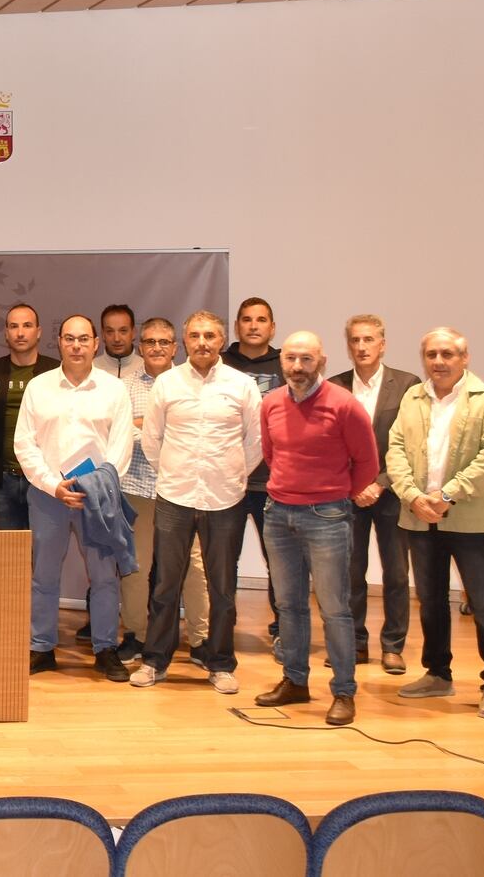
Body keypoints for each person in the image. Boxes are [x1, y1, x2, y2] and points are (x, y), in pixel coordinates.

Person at [130, 311, 262, 695]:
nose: (202, 342)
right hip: (175, 495)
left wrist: (233, 474)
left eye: (210, 335)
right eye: (195, 335)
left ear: (222, 340)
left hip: (225, 498)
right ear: (184, 342)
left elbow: (255, 442)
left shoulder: (242, 385)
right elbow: (152, 441)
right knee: (165, 583)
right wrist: (173, 472)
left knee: (221, 586)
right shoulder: (168, 384)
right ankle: (155, 661)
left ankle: (221, 664)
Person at [253, 331, 377, 726]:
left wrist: (334, 496)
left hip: (327, 518)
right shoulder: (271, 403)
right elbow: (273, 455)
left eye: (306, 359)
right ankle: (295, 681)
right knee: (288, 605)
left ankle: (343, 691)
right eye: (291, 359)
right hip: (278, 516)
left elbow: (368, 464)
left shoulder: (345, 405)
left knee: (335, 609)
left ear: (321, 361)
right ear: (281, 361)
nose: (297, 367)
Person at [388, 328, 484, 720]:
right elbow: (394, 450)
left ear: (464, 358)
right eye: (431, 354)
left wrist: (447, 495)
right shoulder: (413, 397)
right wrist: (413, 495)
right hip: (420, 517)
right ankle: (438, 674)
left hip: (469, 519)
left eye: (447, 354)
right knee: (431, 602)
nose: (438, 361)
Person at [15, 315, 135, 681]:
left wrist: (96, 485)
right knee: (44, 576)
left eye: (84, 339)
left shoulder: (113, 390)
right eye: (70, 338)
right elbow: (25, 443)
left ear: (95, 343)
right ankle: (41, 647)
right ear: (59, 342)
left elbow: (121, 445)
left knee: (103, 577)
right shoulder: (38, 387)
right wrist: (54, 485)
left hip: (97, 499)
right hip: (49, 496)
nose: (77, 345)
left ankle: (105, 649)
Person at [328, 314, 422, 675]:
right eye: (355, 340)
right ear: (348, 345)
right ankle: (354, 642)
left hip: (394, 491)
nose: (362, 346)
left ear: (382, 344)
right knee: (350, 571)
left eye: (369, 340)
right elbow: (331, 444)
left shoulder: (408, 385)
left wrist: (380, 481)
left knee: (397, 573)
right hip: (349, 494)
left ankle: (393, 646)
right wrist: (356, 486)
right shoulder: (335, 386)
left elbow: (412, 444)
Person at [117, 318, 208, 664]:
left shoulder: (191, 383)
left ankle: (202, 640)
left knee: (194, 567)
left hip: (184, 491)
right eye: (150, 341)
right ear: (140, 347)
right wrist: (157, 428)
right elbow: (119, 431)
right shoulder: (124, 387)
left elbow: (193, 431)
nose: (156, 347)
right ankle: (137, 635)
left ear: (176, 347)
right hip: (136, 489)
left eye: (164, 342)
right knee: (135, 566)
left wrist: (144, 426)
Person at [223, 296, 283, 642]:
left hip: (271, 482)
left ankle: (283, 628)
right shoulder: (220, 363)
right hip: (227, 481)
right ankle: (223, 625)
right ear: (237, 326)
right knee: (223, 559)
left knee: (278, 559)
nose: (254, 325)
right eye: (247, 319)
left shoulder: (284, 367)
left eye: (261, 320)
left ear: (272, 327)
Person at [0, 304, 57, 531]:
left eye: (27, 325)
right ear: (6, 333)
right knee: (10, 556)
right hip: (4, 479)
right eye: (14, 326)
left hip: (44, 478)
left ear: (39, 331)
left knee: (43, 550)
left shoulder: (55, 372)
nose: (20, 332)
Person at [95, 304, 140, 378]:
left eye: (123, 331)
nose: (116, 339)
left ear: (133, 333)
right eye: (110, 331)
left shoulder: (146, 368)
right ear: (103, 334)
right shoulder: (91, 369)